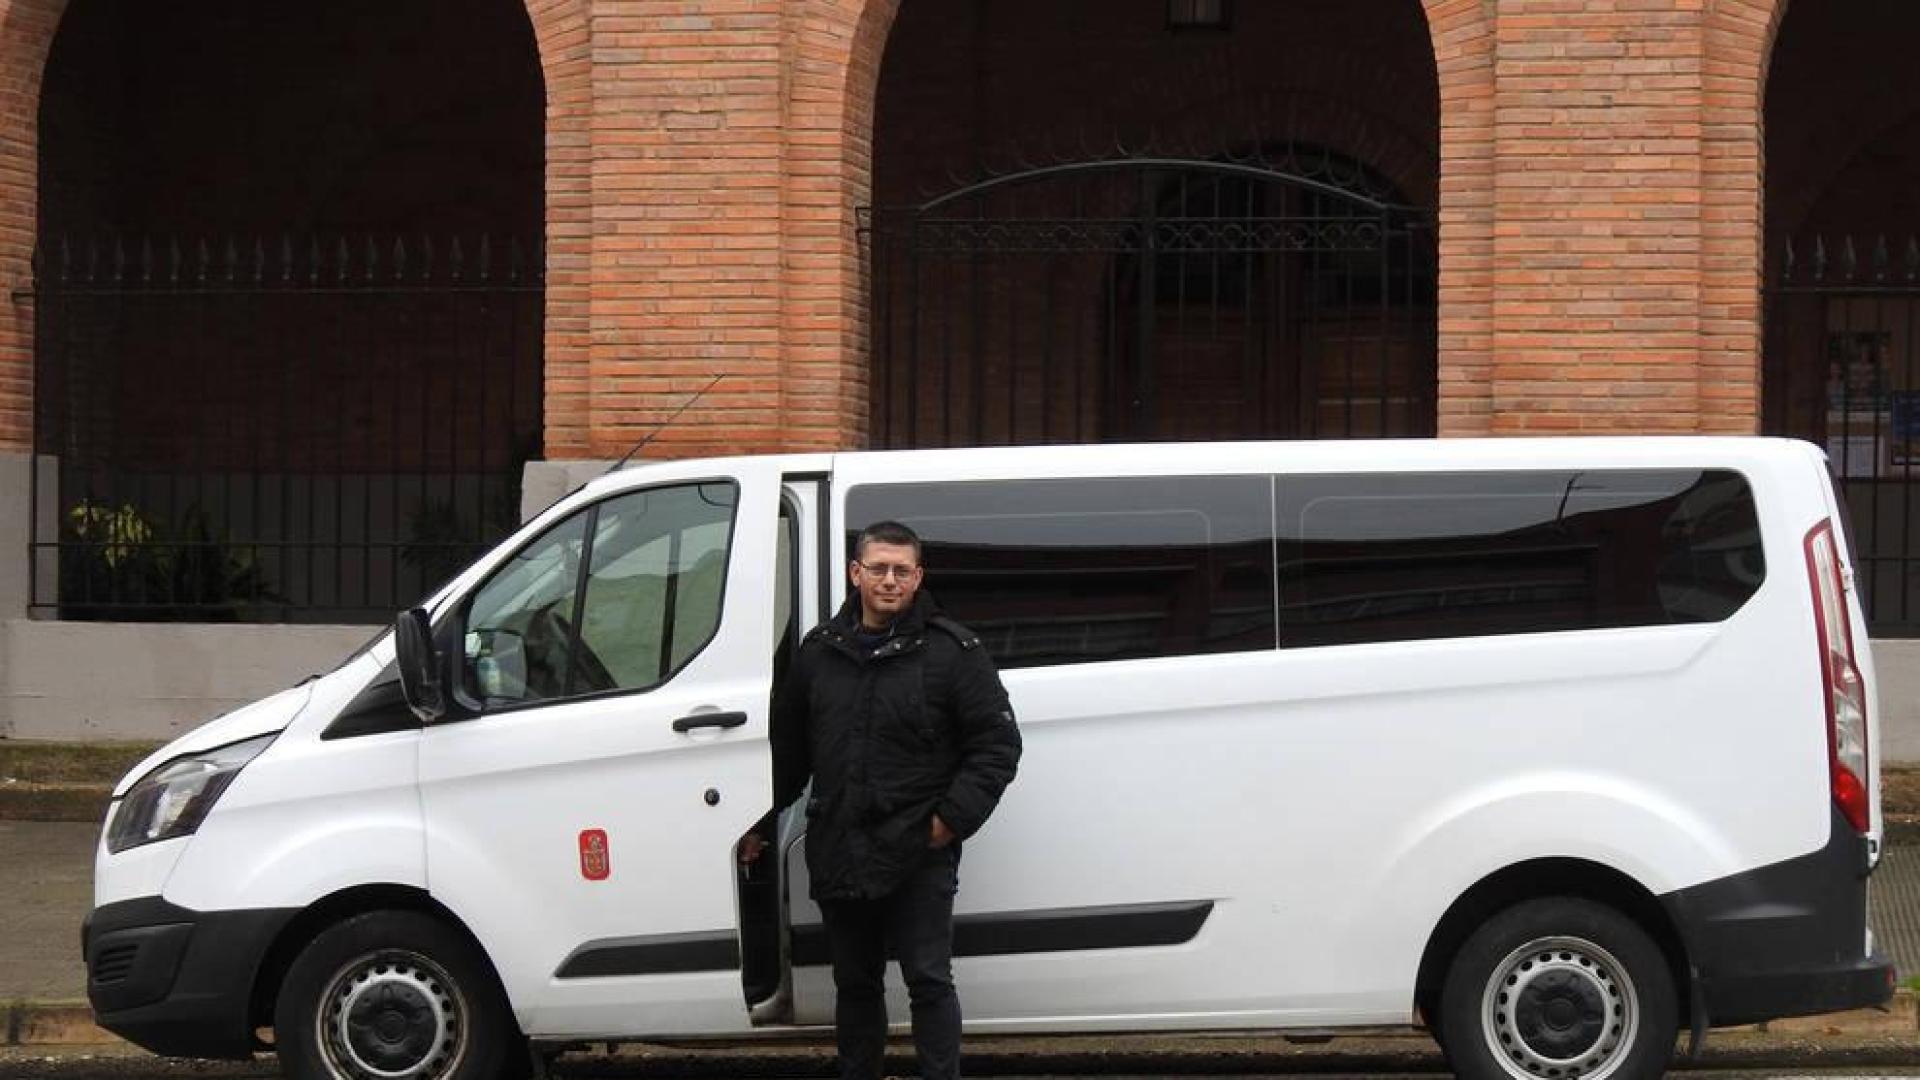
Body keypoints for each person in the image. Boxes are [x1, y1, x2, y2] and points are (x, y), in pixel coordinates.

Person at [742, 519, 1021, 1080]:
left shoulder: (953, 652)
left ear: (918, 577)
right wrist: (758, 824)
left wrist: (945, 825)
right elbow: (790, 755)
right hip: (841, 843)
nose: (889, 580)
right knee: (856, 986)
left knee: (929, 981)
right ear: (856, 573)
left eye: (901, 570)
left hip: (919, 849)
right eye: (878, 569)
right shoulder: (819, 653)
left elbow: (997, 745)